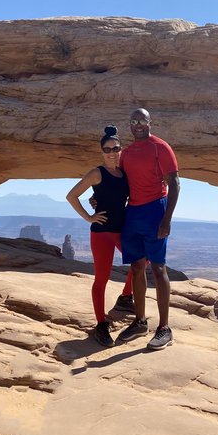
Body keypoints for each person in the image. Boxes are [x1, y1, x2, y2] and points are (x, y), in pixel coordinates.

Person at [116, 108, 180, 350]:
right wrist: (98, 197)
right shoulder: (127, 152)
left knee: (158, 267)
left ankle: (164, 328)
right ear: (130, 125)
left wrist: (167, 218)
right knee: (136, 266)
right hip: (133, 212)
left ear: (150, 122)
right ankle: (140, 321)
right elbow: (121, 183)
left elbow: (174, 183)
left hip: (155, 209)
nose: (138, 124)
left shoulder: (160, 147)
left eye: (142, 120)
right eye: (133, 121)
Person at [66, 126, 134, 347]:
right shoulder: (97, 173)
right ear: (101, 152)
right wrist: (89, 217)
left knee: (140, 260)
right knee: (101, 279)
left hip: (121, 229)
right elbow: (71, 195)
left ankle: (125, 298)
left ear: (121, 149)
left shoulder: (124, 173)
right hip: (103, 233)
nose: (112, 152)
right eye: (107, 149)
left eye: (115, 148)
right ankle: (101, 324)